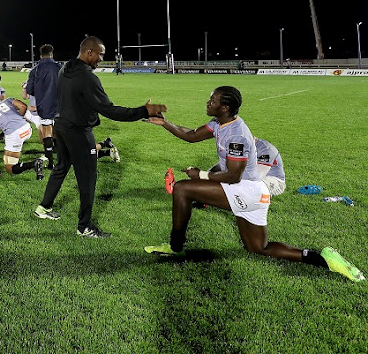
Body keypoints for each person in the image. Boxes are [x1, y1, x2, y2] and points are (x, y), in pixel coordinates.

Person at [144, 86, 364, 282]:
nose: (208, 102)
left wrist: (200, 174)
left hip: (246, 190)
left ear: (225, 107)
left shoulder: (237, 135)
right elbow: (191, 135)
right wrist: (164, 122)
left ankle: (175, 247)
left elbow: (233, 177)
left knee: (182, 189)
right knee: (259, 248)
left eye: (213, 100)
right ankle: (323, 259)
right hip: (254, 193)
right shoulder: (219, 123)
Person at [33, 36, 167, 238]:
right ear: (89, 52)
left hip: (60, 126)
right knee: (88, 179)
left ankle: (43, 207)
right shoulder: (87, 77)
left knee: (61, 168)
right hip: (78, 132)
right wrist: (144, 111)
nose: (101, 59)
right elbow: (110, 110)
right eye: (100, 54)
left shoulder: (65, 68)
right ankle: (84, 227)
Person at [0, 96, 44, 179]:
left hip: (15, 135)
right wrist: (20, 117)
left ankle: (34, 164)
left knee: (10, 168)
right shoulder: (7, 100)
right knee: (7, 157)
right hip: (27, 128)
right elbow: (23, 106)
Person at [25, 44, 61, 169]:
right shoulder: (59, 68)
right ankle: (65, 159)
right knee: (62, 133)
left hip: (44, 106)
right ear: (52, 54)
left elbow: (29, 89)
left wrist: (39, 92)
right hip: (60, 106)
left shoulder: (35, 70)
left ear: (40, 55)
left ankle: (51, 163)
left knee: (47, 133)